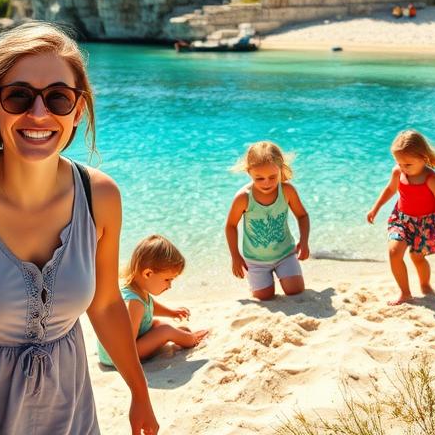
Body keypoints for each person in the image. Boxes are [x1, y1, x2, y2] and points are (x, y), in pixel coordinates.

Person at [0, 23, 158, 435]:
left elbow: (106, 303)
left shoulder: (100, 196)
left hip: (70, 417)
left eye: (58, 97)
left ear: (77, 110)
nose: (39, 114)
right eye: (19, 96)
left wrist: (139, 393)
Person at [366, 130, 435, 305]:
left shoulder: (431, 179)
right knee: (394, 252)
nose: (402, 168)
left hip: (426, 223)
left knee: (417, 257)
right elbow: (390, 190)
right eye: (398, 163)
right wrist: (375, 208)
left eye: (407, 164)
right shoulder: (398, 172)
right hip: (401, 220)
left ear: (423, 158)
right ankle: (405, 293)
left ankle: (425, 285)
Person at [97, 235, 208, 367]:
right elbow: (127, 346)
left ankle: (178, 335)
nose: (170, 286)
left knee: (158, 324)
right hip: (119, 356)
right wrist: (164, 335)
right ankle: (191, 339)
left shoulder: (136, 289)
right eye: (167, 280)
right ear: (148, 274)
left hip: (123, 347)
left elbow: (150, 305)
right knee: (165, 330)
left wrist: (172, 313)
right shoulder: (134, 304)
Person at [225, 141, 310, 301]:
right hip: (256, 261)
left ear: (280, 169)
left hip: (285, 254)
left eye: (272, 177)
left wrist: (304, 242)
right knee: (265, 297)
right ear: (249, 172)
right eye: (260, 178)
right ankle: (258, 283)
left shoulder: (287, 191)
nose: (267, 183)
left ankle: (286, 273)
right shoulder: (243, 197)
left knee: (295, 291)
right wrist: (235, 256)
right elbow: (230, 226)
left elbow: (302, 216)